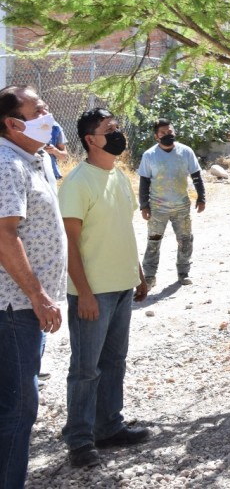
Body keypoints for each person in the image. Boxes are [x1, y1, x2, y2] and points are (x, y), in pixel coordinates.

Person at [59, 108, 149, 468]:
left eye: (117, 128)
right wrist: (83, 292)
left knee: (114, 362)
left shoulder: (119, 177)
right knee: (86, 368)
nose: (117, 134)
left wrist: (138, 275)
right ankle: (79, 439)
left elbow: (122, 231)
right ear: (90, 140)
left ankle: (108, 426)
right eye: (109, 130)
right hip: (93, 293)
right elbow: (69, 243)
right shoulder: (78, 182)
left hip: (122, 285)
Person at [0, 86, 66, 489]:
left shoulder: (36, 158)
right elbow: (5, 236)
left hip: (26, 307)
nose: (47, 113)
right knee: (19, 407)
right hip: (14, 307)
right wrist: (38, 295)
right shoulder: (7, 163)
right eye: (38, 109)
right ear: (12, 123)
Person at [138, 119, 205, 288]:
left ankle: (183, 273)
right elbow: (144, 181)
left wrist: (201, 197)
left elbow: (196, 176)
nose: (168, 135)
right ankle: (150, 277)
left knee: (185, 240)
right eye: (163, 133)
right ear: (156, 137)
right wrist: (144, 206)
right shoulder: (149, 155)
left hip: (181, 206)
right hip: (157, 208)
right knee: (153, 241)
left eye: (170, 132)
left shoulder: (186, 152)